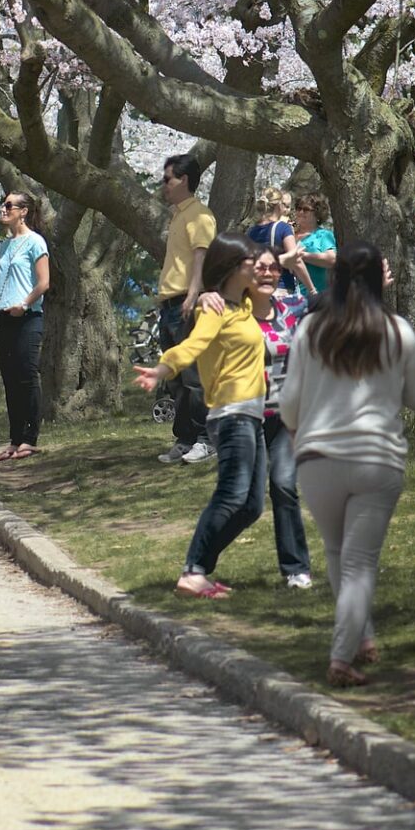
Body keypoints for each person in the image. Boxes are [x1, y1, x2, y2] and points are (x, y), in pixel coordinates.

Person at [279, 242, 415, 687]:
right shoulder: (397, 330)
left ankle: (360, 638)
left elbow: (289, 406)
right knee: (360, 562)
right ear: (378, 278)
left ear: (338, 277)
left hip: (317, 459)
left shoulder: (311, 330)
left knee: (337, 553)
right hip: (376, 459)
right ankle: (342, 656)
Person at [134, 232, 270, 600]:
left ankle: (200, 570)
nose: (257, 267)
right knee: (231, 495)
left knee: (253, 505)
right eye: (250, 262)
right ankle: (193, 571)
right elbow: (190, 347)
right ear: (231, 267)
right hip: (231, 415)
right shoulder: (215, 310)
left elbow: (273, 276)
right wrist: (162, 370)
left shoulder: (241, 307)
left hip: (251, 415)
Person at [196, 246, 315, 587]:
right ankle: (199, 561)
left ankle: (296, 569)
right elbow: (197, 319)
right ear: (246, 274)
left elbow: (329, 301)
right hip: (244, 417)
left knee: (284, 485)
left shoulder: (293, 306)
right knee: (247, 505)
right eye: (259, 267)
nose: (267, 273)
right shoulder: (231, 311)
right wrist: (205, 295)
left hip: (285, 416)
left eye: (274, 268)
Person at [154, 153, 218, 465]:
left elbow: (201, 257)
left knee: (195, 376)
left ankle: (207, 439)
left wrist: (193, 294)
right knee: (176, 377)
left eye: (169, 179)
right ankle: (185, 438)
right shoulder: (178, 215)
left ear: (185, 180)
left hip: (187, 302)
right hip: (168, 304)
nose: (164, 185)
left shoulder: (200, 215)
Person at [0, 191, 49, 461]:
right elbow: (0, 286)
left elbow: (44, 283)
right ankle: (14, 439)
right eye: (3, 204)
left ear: (23, 211)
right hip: (2, 318)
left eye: (9, 205)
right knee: (9, 380)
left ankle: (29, 439)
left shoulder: (36, 242)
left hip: (27, 317)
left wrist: (23, 304)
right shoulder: (5, 246)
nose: (3, 209)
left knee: (26, 375)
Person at [247, 188, 301, 292]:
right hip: (281, 285)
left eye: (289, 206)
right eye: (284, 204)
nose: (286, 209)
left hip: (257, 286)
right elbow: (295, 259)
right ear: (278, 205)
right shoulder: (283, 228)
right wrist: (311, 288)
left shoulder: (251, 231)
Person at [292, 192, 337, 294]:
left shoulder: (323, 235)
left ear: (317, 214)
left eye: (306, 209)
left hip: (316, 297)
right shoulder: (288, 234)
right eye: (298, 208)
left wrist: (303, 255)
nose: (301, 212)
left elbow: (331, 260)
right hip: (289, 296)